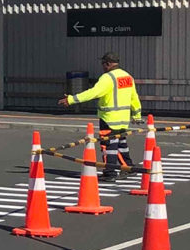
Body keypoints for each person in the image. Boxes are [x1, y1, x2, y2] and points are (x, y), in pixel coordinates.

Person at [60, 52, 141, 182]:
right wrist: (136, 115)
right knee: (121, 144)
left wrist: (72, 99)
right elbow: (134, 97)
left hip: (109, 118)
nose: (102, 67)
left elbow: (93, 93)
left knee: (108, 146)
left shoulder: (107, 78)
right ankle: (128, 167)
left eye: (103, 64)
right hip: (123, 118)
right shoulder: (127, 77)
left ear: (107, 64)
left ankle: (110, 172)